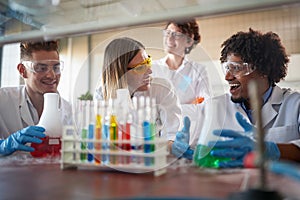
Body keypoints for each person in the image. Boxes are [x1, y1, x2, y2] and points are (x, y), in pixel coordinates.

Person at [184, 28, 300, 167]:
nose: (227, 77)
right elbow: (185, 143)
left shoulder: (295, 104)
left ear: (263, 70)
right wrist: (176, 146)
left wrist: (270, 150)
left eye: (236, 68)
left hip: (284, 186)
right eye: (227, 68)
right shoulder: (213, 107)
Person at [95, 37, 193, 158]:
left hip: (155, 163)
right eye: (140, 68)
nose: (150, 71)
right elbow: (104, 140)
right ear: (121, 73)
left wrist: (173, 145)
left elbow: (171, 135)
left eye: (148, 62)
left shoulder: (162, 89)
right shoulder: (102, 94)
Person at [0, 40, 72, 156]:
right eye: (41, 68)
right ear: (23, 71)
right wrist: (4, 146)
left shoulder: (69, 111)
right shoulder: (3, 99)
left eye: (56, 67)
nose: (51, 75)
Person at [151, 18, 212, 147]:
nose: (169, 38)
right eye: (167, 33)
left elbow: (206, 104)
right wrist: (188, 105)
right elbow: (148, 108)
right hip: (157, 140)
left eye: (176, 34)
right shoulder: (152, 69)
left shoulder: (198, 70)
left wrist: (166, 108)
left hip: (189, 140)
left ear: (189, 41)